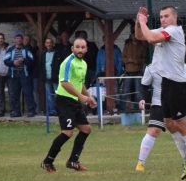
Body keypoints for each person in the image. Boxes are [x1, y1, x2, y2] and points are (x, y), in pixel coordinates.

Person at [135, 5, 186, 181]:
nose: (163, 19)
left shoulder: (174, 31)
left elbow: (151, 38)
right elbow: (140, 36)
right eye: (161, 16)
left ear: (174, 17)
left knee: (182, 124)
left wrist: (144, 22)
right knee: (168, 123)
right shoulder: (163, 30)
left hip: (178, 84)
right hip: (167, 83)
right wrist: (139, 22)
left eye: (166, 16)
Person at [135, 63, 186, 171]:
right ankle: (140, 163)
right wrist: (142, 98)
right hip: (159, 104)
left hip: (179, 102)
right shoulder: (151, 67)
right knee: (153, 131)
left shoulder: (180, 64)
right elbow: (144, 86)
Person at [40, 38, 97, 172]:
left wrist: (89, 97)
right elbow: (64, 83)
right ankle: (47, 161)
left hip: (75, 101)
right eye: (77, 47)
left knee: (86, 129)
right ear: (72, 48)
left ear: (86, 49)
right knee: (67, 132)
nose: (80, 50)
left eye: (83, 47)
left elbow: (79, 83)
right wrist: (81, 96)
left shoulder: (83, 63)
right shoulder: (68, 62)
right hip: (64, 100)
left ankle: (73, 161)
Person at [4, 32, 36, 117]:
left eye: (20, 38)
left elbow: (32, 60)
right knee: (14, 93)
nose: (18, 40)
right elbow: (5, 60)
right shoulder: (10, 50)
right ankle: (16, 111)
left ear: (22, 40)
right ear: (15, 40)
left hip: (24, 74)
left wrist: (24, 60)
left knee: (28, 93)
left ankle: (31, 111)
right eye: (17, 38)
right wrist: (12, 62)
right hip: (14, 75)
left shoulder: (27, 50)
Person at [96, 35, 125, 112]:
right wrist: (99, 76)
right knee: (104, 91)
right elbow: (98, 64)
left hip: (114, 74)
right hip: (103, 75)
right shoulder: (101, 50)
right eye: (105, 40)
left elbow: (120, 62)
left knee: (116, 91)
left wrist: (118, 74)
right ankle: (106, 107)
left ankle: (118, 106)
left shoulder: (116, 49)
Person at [122, 28, 146, 114]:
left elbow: (144, 59)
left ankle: (137, 107)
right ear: (131, 36)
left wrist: (138, 61)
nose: (134, 37)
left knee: (138, 91)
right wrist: (129, 60)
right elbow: (123, 58)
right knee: (125, 90)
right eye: (133, 35)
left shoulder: (141, 46)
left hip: (137, 71)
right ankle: (122, 107)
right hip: (128, 71)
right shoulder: (127, 46)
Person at [42, 38, 58, 116]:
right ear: (45, 44)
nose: (49, 44)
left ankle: (58, 110)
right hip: (46, 77)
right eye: (47, 42)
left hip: (55, 77)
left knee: (57, 94)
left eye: (50, 42)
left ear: (52, 44)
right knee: (49, 95)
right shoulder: (43, 54)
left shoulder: (56, 53)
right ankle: (52, 110)